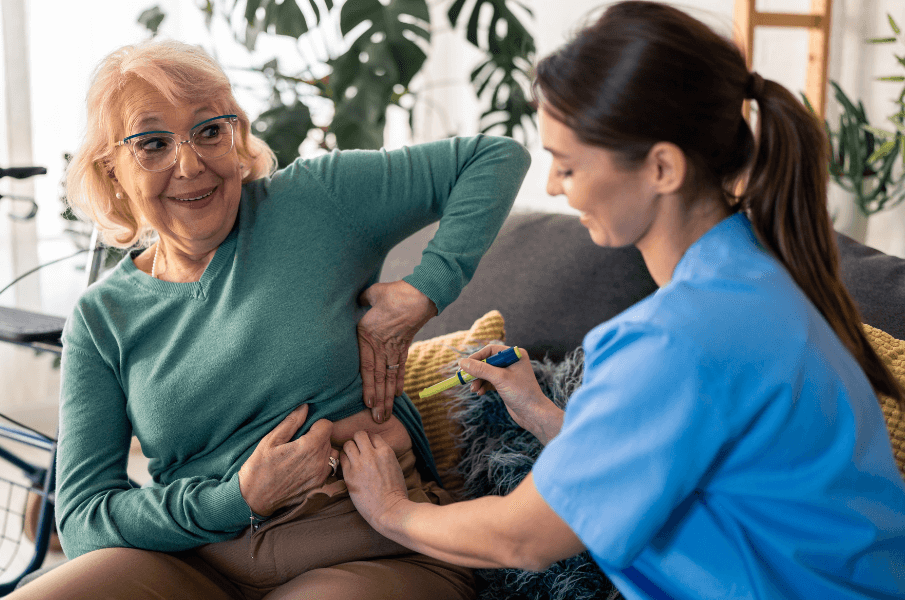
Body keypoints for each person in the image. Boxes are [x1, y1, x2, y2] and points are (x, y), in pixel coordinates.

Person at [339, 2, 905, 598]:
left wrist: (391, 511)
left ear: (661, 167)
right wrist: (541, 414)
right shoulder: (765, 281)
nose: (553, 186)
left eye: (567, 165)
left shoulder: (677, 337)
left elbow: (522, 539)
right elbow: (669, 460)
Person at [5, 38, 530, 600]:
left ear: (237, 135)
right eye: (153, 144)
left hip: (368, 544)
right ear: (112, 169)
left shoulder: (313, 201)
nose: (190, 164)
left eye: (210, 130)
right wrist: (236, 500)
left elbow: (493, 158)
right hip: (195, 562)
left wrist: (424, 291)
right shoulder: (101, 318)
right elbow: (83, 520)